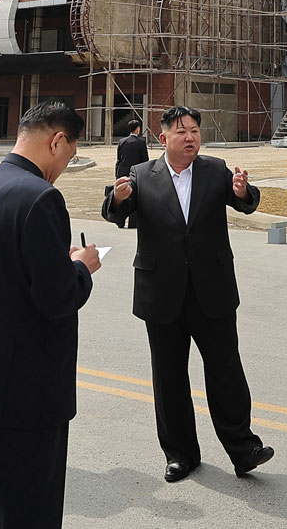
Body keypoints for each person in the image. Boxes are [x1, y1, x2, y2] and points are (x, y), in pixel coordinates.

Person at [0, 100, 101, 529]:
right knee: (26, 511)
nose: (65, 166)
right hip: (21, 392)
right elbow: (55, 298)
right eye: (68, 155)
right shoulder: (41, 197)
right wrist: (81, 267)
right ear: (56, 141)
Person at [102, 105, 272, 481]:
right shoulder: (141, 173)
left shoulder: (215, 168)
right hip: (161, 292)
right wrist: (116, 198)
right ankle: (180, 454)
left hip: (212, 289)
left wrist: (244, 191)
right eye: (181, 132)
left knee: (226, 372)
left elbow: (245, 200)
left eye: (194, 130)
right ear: (163, 138)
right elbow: (116, 212)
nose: (191, 138)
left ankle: (244, 449)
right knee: (169, 377)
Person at [115, 116, 149, 180]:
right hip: (136, 173)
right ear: (138, 129)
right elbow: (145, 160)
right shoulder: (141, 142)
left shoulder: (121, 141)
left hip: (122, 173)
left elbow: (119, 159)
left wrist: (117, 174)